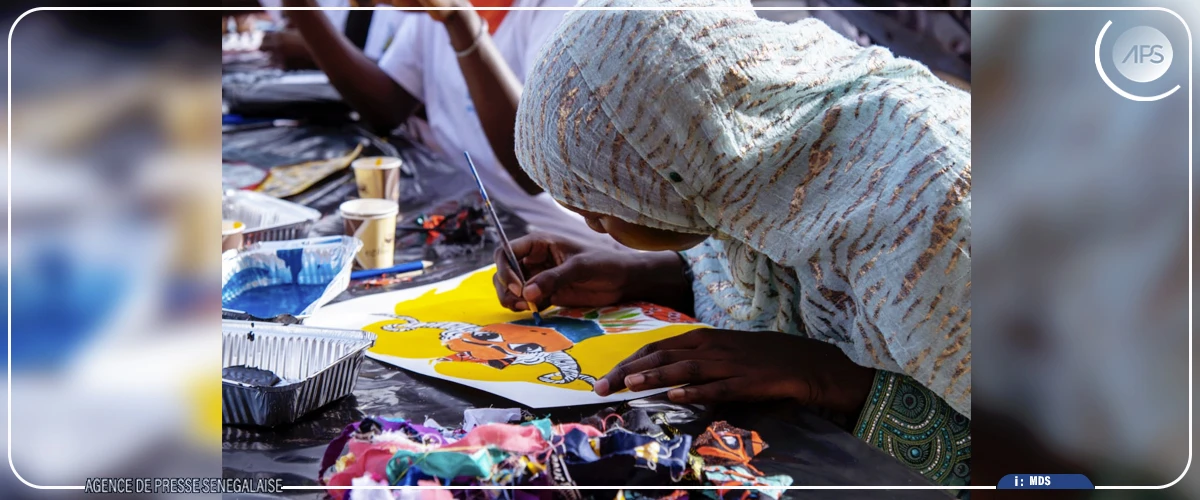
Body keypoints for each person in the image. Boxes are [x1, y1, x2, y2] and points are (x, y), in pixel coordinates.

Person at [494, 0, 972, 489]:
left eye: (605, 206)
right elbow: (764, 262)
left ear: (671, 162)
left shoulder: (930, 210)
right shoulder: (753, 154)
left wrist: (824, 376)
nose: (595, 228)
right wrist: (637, 273)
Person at [282, 0, 614, 246]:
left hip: (553, 238)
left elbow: (536, 170)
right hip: (470, 215)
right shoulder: (433, 15)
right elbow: (387, 107)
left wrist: (458, 19)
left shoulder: (563, 12)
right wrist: (303, 10)